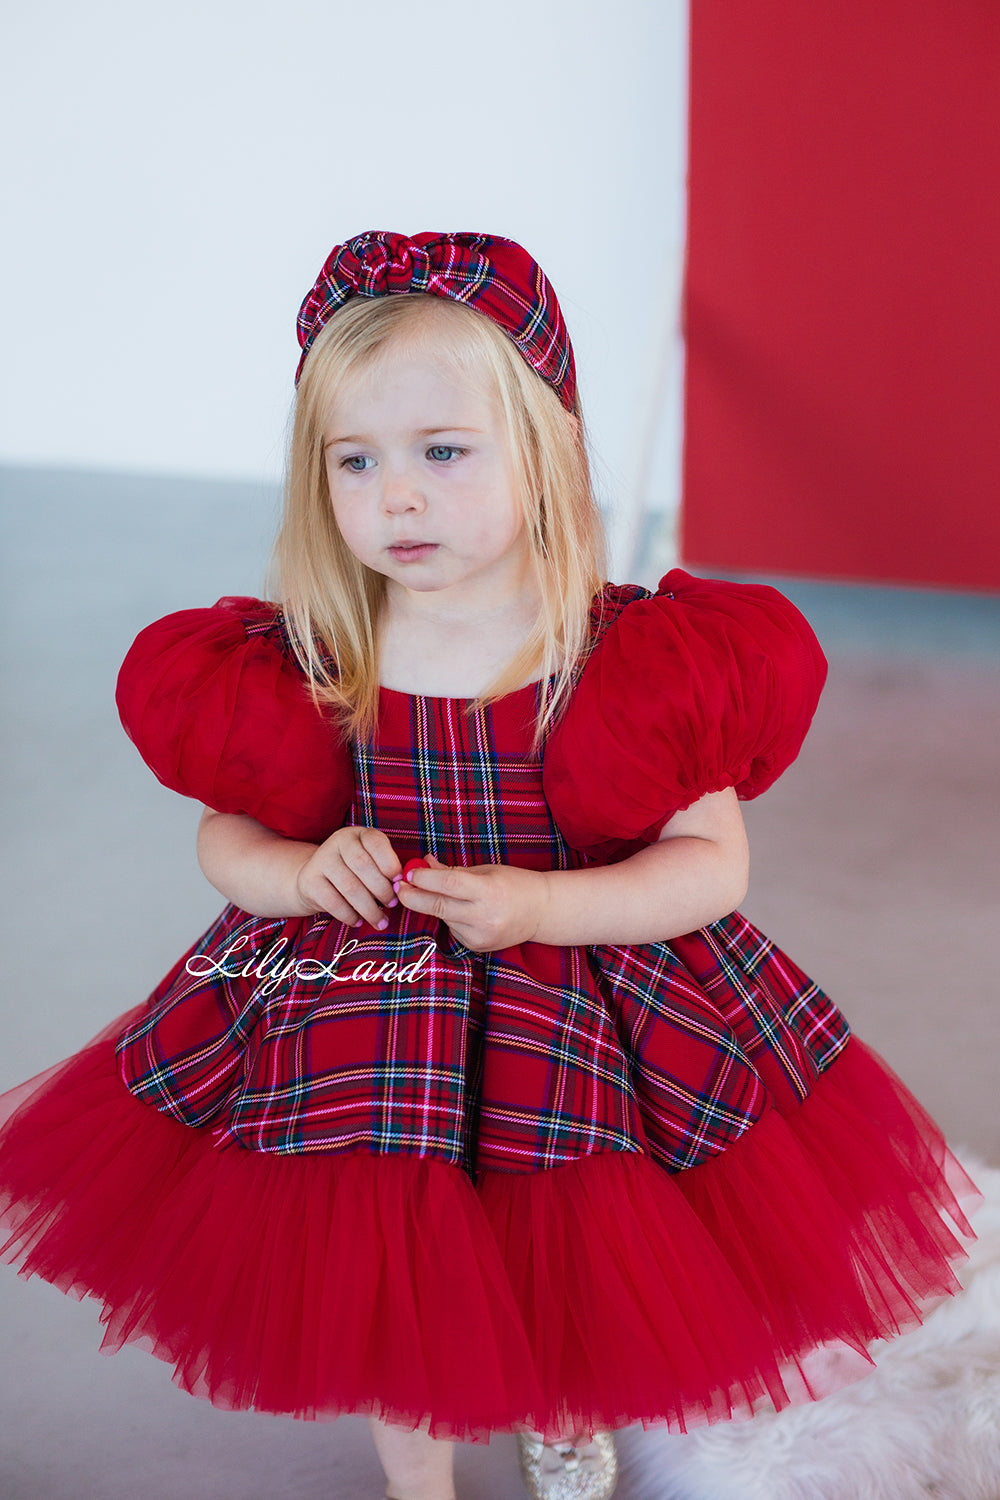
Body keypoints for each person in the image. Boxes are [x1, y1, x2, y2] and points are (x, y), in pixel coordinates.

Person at [0, 231, 978, 1500]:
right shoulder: (317, 657)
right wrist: (299, 877)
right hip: (365, 1018)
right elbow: (227, 837)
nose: (395, 497)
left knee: (572, 1240)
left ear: (545, 447)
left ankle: (564, 1407)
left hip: (579, 1000)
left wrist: (545, 901)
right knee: (388, 1262)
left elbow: (708, 865)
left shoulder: (621, 662)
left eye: (442, 453)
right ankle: (422, 1480)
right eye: (356, 462)